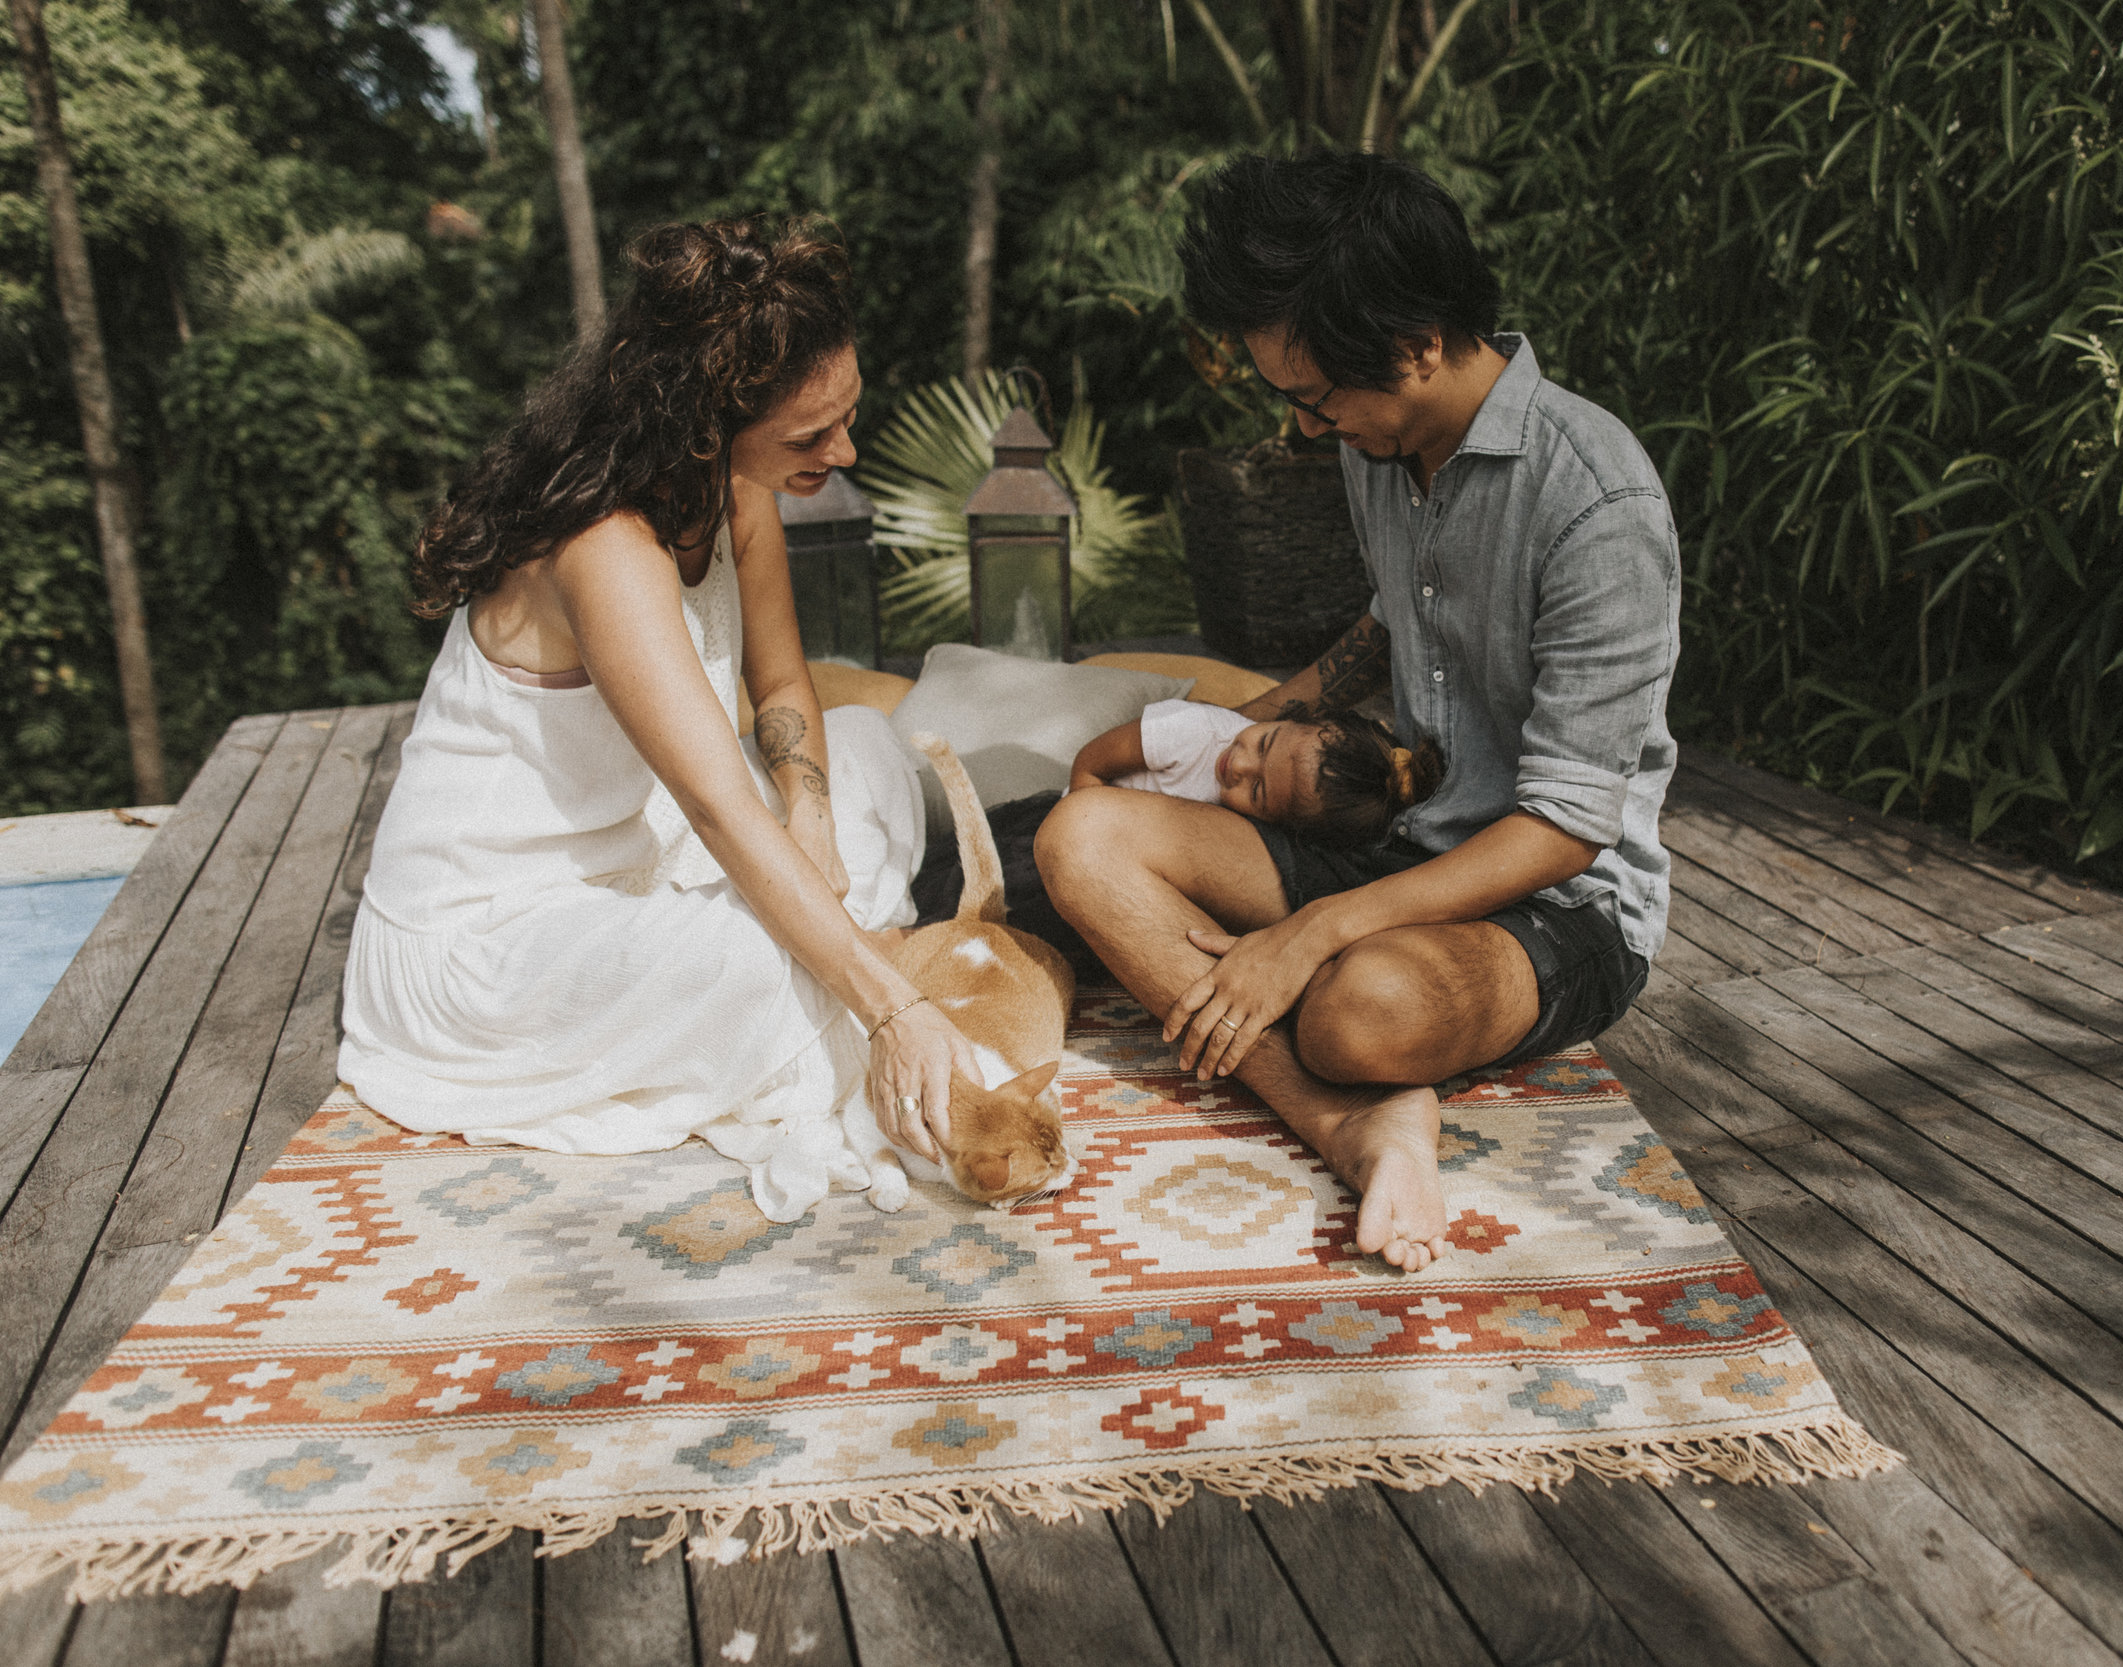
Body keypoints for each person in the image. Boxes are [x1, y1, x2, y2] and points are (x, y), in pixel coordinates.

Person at [1036, 155, 1681, 1272]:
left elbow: (1570, 822)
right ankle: (1345, 1121)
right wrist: (1235, 730)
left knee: (1356, 1010)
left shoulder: (1596, 499)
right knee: (1078, 837)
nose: (1301, 427)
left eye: (1313, 398)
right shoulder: (1385, 445)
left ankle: (1346, 1049)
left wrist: (1312, 931)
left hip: (1554, 904)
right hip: (1385, 839)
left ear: (1418, 346)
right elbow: (1390, 628)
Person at [338, 217, 984, 1223]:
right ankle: (861, 982)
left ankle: (835, 974)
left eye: (846, 418)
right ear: (705, 417)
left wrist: (809, 816)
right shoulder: (603, 542)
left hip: (645, 856)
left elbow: (779, 686)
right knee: (766, 959)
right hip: (491, 938)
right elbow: (724, 807)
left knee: (862, 750)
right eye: (812, 435)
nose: (843, 450)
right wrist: (891, 1002)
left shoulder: (737, 489)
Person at [1068, 699, 1446, 847]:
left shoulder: (1249, 838)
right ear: (1295, 718)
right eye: (1264, 742)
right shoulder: (1188, 732)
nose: (1239, 766)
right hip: (1072, 818)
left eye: (1257, 791)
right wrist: (1080, 834)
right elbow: (1090, 763)